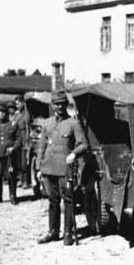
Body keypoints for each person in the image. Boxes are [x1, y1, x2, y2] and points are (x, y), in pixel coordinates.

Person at [36, 89, 88, 246]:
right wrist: (39, 168)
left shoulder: (73, 123)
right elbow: (41, 147)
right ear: (52, 105)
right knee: (52, 200)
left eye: (62, 104)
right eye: (56, 104)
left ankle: (67, 233)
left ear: (66, 105)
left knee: (68, 201)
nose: (59, 106)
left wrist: (74, 154)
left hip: (64, 169)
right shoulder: (47, 123)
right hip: (48, 168)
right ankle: (53, 232)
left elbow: (83, 144)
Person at [11, 96, 31, 189]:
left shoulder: (27, 114)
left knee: (24, 162)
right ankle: (21, 179)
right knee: (18, 161)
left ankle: (26, 181)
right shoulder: (16, 115)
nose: (17, 105)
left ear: (23, 102)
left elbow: (28, 126)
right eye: (16, 104)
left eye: (18, 103)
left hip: (24, 139)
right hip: (17, 139)